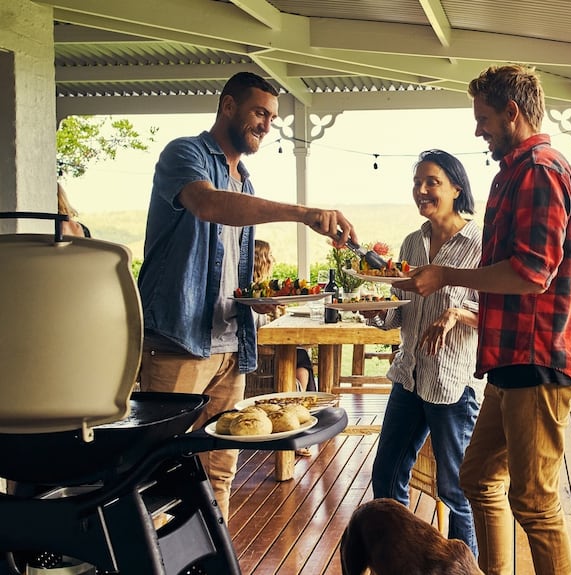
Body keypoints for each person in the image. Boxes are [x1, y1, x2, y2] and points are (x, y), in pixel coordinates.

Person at [395, 65, 571, 575]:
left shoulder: (540, 170)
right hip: (510, 358)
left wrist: (444, 276)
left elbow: (533, 273)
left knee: (532, 501)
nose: (477, 130)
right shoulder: (515, 169)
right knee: (479, 476)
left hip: (539, 358)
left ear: (512, 112)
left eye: (483, 118)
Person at [136, 71, 358, 522]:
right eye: (260, 112)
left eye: (272, 118)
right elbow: (209, 205)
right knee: (162, 472)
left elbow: (231, 272)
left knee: (219, 471)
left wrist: (253, 303)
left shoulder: (247, 182)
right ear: (228, 106)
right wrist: (303, 213)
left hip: (230, 348)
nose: (266, 125)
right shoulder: (186, 154)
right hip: (178, 343)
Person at [365, 149, 483, 556]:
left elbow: (498, 314)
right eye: (417, 182)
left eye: (431, 181)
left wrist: (457, 313)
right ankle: (401, 560)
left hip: (452, 383)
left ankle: (466, 569)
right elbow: (400, 312)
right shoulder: (412, 242)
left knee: (456, 491)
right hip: (409, 375)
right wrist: (374, 311)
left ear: (456, 187)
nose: (421, 190)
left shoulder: (480, 243)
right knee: (386, 478)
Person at [252, 239, 316, 392]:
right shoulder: (254, 292)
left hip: (263, 344)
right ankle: (299, 395)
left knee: (298, 352)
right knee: (300, 354)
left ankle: (299, 392)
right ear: (262, 260)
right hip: (259, 347)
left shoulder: (262, 288)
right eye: (270, 255)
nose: (273, 260)